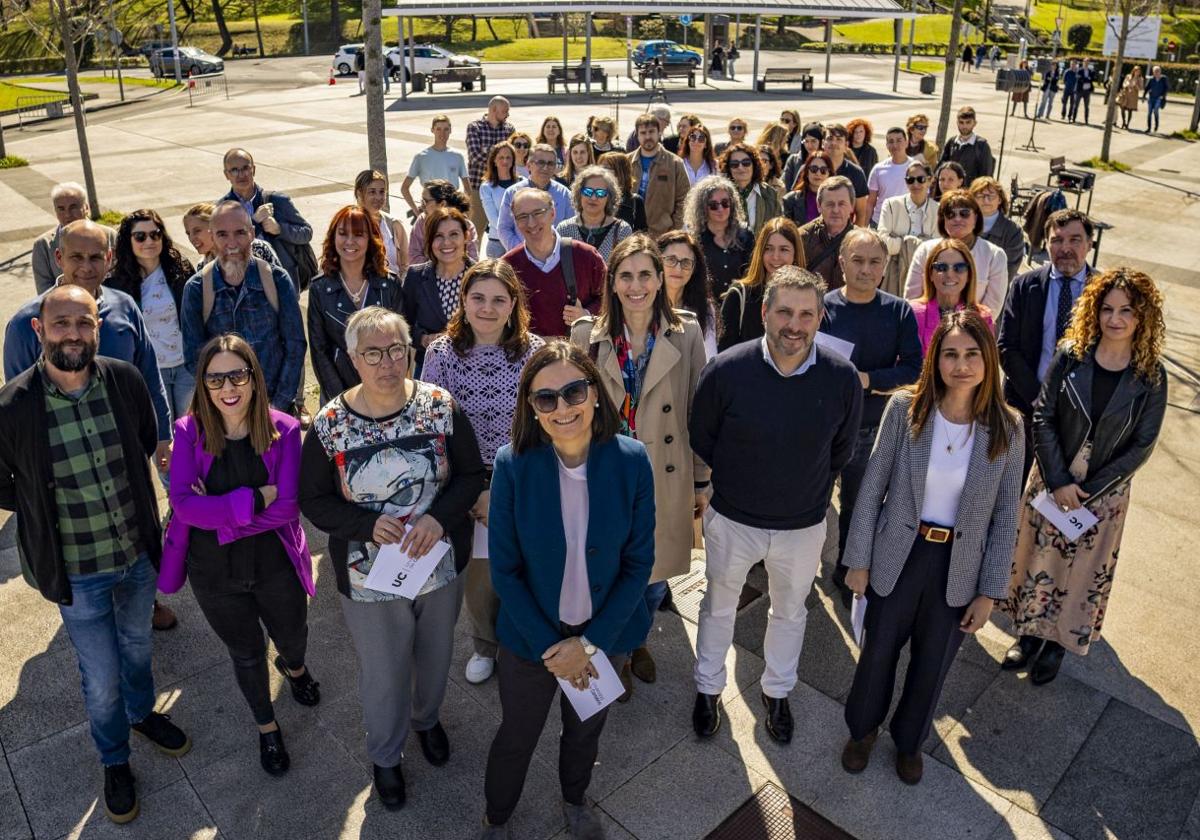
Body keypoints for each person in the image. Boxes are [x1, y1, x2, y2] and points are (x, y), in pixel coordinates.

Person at [0, 285, 192, 824]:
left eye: (83, 323)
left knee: (135, 650)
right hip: (78, 572)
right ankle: (114, 759)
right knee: (100, 674)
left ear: (97, 328)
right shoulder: (12, 407)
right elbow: (4, 484)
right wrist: (40, 499)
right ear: (39, 330)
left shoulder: (124, 380)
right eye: (61, 323)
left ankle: (141, 713)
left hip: (135, 557)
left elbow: (142, 440)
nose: (73, 334)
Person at [300, 306, 485, 811]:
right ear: (353, 359)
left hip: (439, 564)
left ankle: (427, 720)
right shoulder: (331, 424)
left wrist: (437, 518)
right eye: (373, 353)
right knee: (383, 671)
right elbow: (312, 499)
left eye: (396, 350)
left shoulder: (439, 405)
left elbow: (470, 474)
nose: (387, 363)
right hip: (368, 578)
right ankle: (386, 755)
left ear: (410, 351)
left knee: (436, 653)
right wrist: (363, 525)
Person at [477, 341, 653, 840]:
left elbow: (638, 564)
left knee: (585, 731)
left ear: (595, 393)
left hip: (606, 634)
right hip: (533, 639)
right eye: (546, 398)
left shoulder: (632, 460)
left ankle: (575, 798)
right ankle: (497, 816)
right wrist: (555, 650)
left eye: (574, 391)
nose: (563, 407)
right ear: (531, 408)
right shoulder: (513, 464)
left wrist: (589, 644)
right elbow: (506, 570)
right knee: (517, 735)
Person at [840, 310, 1023, 785]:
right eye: (950, 354)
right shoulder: (906, 409)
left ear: (987, 358)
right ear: (935, 360)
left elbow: (1006, 515)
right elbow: (872, 486)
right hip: (900, 553)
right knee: (878, 649)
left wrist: (990, 591)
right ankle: (862, 730)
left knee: (932, 662)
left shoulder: (1008, 426)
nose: (961, 364)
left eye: (971, 354)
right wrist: (857, 560)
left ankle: (908, 742)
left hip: (957, 564)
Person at [691, 266, 862, 742]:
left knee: (791, 611)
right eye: (784, 311)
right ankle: (707, 688)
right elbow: (702, 435)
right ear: (764, 312)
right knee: (718, 606)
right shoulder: (727, 369)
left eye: (807, 314)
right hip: (733, 518)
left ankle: (777, 691)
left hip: (803, 525)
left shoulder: (842, 377)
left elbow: (841, 450)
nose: (795, 323)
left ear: (820, 318)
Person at [1000, 268, 1167, 685]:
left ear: (1142, 316)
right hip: (1053, 476)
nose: (1115, 319)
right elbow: (1043, 414)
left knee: (1080, 572)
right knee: (1038, 560)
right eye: (1108, 308)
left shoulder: (1151, 375)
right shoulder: (1071, 354)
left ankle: (1057, 644)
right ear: (1095, 310)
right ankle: (1027, 635)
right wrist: (1058, 480)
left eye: (1126, 310)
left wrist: (1089, 492)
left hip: (1103, 492)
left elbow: (1142, 446)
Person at [160, 335, 317, 776]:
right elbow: (184, 505)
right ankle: (267, 728)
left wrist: (222, 516)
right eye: (215, 379)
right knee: (245, 653)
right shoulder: (188, 432)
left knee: (293, 634)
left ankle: (296, 667)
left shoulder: (284, 429)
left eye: (237, 375)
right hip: (214, 572)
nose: (227, 387)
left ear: (253, 377)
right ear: (203, 385)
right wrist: (253, 500)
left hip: (276, 563)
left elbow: (287, 506)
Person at [570, 235, 709, 700]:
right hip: (606, 477)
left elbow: (697, 410)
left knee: (653, 580)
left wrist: (703, 479)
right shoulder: (586, 335)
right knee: (610, 573)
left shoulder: (685, 333)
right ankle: (619, 653)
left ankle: (637, 641)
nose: (636, 285)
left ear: (659, 278)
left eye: (645, 275)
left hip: (664, 476)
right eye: (626, 275)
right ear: (612, 281)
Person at [422, 261, 545, 686]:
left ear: (513, 305)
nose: (487, 308)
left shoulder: (533, 352)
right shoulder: (441, 354)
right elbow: (432, 428)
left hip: (524, 476)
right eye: (478, 298)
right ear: (464, 301)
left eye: (498, 300)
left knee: (527, 568)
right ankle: (484, 645)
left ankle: (522, 642)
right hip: (466, 483)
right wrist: (473, 493)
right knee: (482, 577)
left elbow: (545, 424)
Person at [5, 220, 173, 483]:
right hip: (62, 465)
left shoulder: (125, 307)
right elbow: (18, 404)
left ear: (109, 259)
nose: (86, 267)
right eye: (76, 257)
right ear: (59, 258)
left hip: (126, 454)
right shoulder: (25, 324)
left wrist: (163, 434)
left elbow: (149, 374)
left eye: (96, 257)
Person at [820, 229, 922, 606]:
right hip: (825, 428)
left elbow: (913, 368)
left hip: (871, 429)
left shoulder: (898, 311)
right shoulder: (823, 307)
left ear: (885, 266)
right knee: (814, 503)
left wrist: (869, 380)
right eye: (857, 261)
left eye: (874, 262)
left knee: (859, 507)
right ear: (842, 263)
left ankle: (849, 571)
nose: (865, 269)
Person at [997, 209, 1097, 481]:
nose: (1065, 248)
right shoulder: (1024, 286)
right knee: (1013, 488)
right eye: (1057, 240)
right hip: (1026, 407)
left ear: (1090, 244)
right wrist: (1037, 397)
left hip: (1081, 418)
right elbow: (1006, 347)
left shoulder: (1104, 291)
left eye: (1075, 240)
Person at [180, 201, 307, 413]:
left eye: (240, 232)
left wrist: (277, 406)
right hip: (223, 415)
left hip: (275, 408)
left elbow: (295, 346)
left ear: (252, 233)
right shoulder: (196, 289)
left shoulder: (276, 279)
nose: (232, 243)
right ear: (212, 236)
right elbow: (194, 357)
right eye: (222, 234)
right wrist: (227, 402)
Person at [104, 209, 197, 422]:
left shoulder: (180, 270)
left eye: (155, 234)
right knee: (162, 436)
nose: (149, 241)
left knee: (191, 431)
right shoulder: (117, 282)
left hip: (186, 366)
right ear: (128, 241)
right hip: (151, 371)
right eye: (140, 236)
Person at [308, 205, 402, 405]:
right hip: (339, 395)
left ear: (371, 239)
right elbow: (319, 350)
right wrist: (344, 400)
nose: (350, 241)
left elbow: (401, 345)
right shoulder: (320, 289)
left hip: (386, 393)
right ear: (333, 238)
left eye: (358, 234)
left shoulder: (389, 285)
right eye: (342, 234)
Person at [504, 188, 605, 338]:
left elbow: (611, 297)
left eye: (538, 213)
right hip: (529, 357)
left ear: (552, 213)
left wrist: (587, 315)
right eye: (522, 216)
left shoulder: (586, 256)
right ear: (516, 222)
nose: (531, 223)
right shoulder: (508, 266)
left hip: (578, 354)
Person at [218, 148, 314, 289]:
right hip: (243, 286)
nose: (241, 175)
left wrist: (280, 229)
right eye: (234, 170)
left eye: (245, 168)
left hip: (282, 283)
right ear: (226, 175)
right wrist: (254, 222)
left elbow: (306, 233)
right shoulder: (222, 209)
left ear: (254, 170)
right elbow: (221, 247)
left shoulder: (277, 200)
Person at [905, 190, 1009, 312]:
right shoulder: (925, 250)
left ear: (975, 218)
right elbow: (912, 297)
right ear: (943, 220)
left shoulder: (995, 255)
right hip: (926, 327)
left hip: (974, 327)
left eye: (964, 213)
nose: (957, 219)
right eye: (950, 214)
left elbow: (992, 306)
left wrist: (963, 328)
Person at [403, 207, 476, 372]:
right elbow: (403, 323)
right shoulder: (415, 276)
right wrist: (423, 338)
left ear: (466, 237)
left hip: (475, 369)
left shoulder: (482, 276)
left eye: (454, 234)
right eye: (438, 236)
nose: (446, 243)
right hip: (429, 366)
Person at [719, 217, 804, 351]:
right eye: (768, 249)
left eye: (783, 249)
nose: (775, 256)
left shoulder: (807, 299)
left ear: (795, 254)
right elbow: (723, 353)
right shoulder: (739, 295)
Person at [908, 238, 995, 353]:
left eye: (959, 267)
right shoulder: (911, 314)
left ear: (969, 275)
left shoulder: (983, 318)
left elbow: (986, 366)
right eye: (941, 267)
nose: (949, 274)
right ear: (930, 275)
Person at [32, 181, 115, 294]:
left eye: (73, 207)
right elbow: (44, 291)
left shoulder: (109, 235)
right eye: (61, 209)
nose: (67, 214)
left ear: (86, 207)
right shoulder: (43, 245)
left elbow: (120, 278)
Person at [877, 160, 939, 298]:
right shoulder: (891, 205)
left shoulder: (939, 210)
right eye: (910, 180)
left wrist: (899, 241)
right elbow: (883, 243)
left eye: (920, 179)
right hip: (891, 275)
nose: (915, 184)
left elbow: (936, 250)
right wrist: (921, 242)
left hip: (925, 277)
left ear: (930, 181)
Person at [496, 144, 575, 252]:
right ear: (528, 165)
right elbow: (504, 228)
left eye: (551, 163)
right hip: (521, 258)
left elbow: (571, 228)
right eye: (541, 162)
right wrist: (521, 251)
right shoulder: (512, 193)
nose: (545, 167)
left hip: (556, 258)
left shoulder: (564, 194)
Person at [659, 229, 719, 359]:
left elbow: (709, 358)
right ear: (658, 262)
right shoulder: (645, 304)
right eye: (671, 260)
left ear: (694, 269)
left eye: (686, 262)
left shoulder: (704, 307)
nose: (678, 268)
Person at [628, 113, 690, 237]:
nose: (648, 137)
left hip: (662, 235)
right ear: (637, 135)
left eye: (651, 132)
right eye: (643, 133)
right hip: (631, 234)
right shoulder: (627, 162)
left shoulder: (675, 163)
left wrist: (673, 229)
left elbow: (684, 199)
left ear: (659, 132)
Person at [555, 165, 634, 262]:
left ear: (609, 197)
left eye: (600, 193)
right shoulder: (564, 229)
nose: (593, 198)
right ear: (579, 194)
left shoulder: (621, 230)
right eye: (588, 192)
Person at [402, 114, 470, 217]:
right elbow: (405, 188)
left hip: (452, 211)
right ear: (432, 130)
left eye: (446, 129)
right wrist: (416, 211)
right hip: (430, 211)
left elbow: (467, 188)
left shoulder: (457, 156)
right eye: (438, 129)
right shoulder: (421, 157)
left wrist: (462, 210)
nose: (442, 133)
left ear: (450, 130)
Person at [466, 97, 515, 236]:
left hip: (505, 185)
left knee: (507, 227)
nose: (508, 115)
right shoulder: (474, 127)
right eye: (505, 111)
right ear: (494, 110)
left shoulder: (509, 129)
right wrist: (500, 158)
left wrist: (488, 151)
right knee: (474, 232)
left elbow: (513, 156)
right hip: (477, 185)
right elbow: (474, 156)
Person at [798, 175, 856, 292]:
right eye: (830, 204)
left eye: (841, 204)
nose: (835, 210)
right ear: (819, 206)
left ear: (851, 206)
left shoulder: (861, 241)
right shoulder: (802, 237)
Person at [182, 202, 282, 270]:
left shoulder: (258, 248)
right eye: (188, 233)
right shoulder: (203, 267)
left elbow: (284, 289)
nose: (191, 238)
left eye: (197, 231)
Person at [408, 180, 481, 267]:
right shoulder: (422, 221)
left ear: (442, 204)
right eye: (421, 201)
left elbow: (472, 260)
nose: (421, 206)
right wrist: (437, 269)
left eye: (425, 201)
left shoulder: (466, 225)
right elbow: (413, 256)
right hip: (427, 277)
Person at [354, 169, 409, 276]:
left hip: (391, 290)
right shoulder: (346, 224)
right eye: (372, 192)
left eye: (382, 192)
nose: (378, 197)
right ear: (359, 193)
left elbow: (405, 265)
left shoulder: (394, 225)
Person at [720, 143, 782, 235]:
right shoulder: (721, 194)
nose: (740, 167)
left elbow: (778, 228)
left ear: (754, 165)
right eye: (734, 164)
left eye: (746, 163)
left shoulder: (770, 194)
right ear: (729, 168)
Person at [971, 177, 1025, 281]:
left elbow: (1008, 271)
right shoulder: (962, 223)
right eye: (980, 196)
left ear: (1000, 199)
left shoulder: (1013, 232)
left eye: (991, 196)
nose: (986, 200)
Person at [821, 124, 870, 225]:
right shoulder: (812, 169)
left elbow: (861, 213)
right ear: (822, 143)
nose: (834, 143)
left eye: (839, 139)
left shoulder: (856, 173)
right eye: (830, 138)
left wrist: (854, 238)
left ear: (846, 145)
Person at [866, 127, 915, 226]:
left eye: (899, 140)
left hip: (907, 223)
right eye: (891, 141)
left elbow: (923, 198)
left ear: (906, 142)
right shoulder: (878, 169)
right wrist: (864, 226)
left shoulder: (916, 168)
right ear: (887, 145)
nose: (895, 145)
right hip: (879, 222)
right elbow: (870, 202)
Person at [479, 141, 520, 259]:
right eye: (501, 157)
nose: (505, 161)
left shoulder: (522, 183)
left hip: (519, 241)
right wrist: (511, 236)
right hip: (497, 243)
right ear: (494, 161)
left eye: (508, 157)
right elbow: (493, 219)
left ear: (513, 161)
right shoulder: (486, 187)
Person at [938, 108, 994, 186]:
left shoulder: (982, 146)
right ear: (957, 123)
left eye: (968, 122)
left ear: (974, 123)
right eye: (961, 122)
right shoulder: (952, 142)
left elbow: (986, 176)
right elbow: (941, 167)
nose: (964, 126)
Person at [598, 151, 648, 233]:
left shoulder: (635, 201)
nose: (601, 172)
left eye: (606, 168)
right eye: (600, 168)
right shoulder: (594, 196)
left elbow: (641, 235)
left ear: (620, 172)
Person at [782, 151, 834, 227]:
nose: (818, 173)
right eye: (814, 169)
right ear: (807, 172)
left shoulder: (837, 200)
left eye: (823, 170)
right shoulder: (790, 200)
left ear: (829, 174)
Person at [1117, 65, 1143, 129]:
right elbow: (1123, 83)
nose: (1137, 72)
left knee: (1130, 110)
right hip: (1125, 94)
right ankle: (1123, 122)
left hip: (1133, 96)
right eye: (1136, 70)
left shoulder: (1140, 79)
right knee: (1122, 108)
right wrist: (1126, 85)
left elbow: (1141, 88)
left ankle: (1127, 124)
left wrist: (1136, 85)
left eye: (1138, 71)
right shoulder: (1128, 76)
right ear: (1133, 71)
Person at [1145, 65, 1169, 133]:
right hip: (1151, 98)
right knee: (1149, 113)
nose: (1156, 73)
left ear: (1160, 72)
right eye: (1155, 71)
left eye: (1158, 71)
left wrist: (1163, 96)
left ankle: (1156, 126)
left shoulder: (1163, 79)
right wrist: (1144, 96)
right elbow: (1147, 88)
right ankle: (1149, 128)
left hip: (1158, 98)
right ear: (1153, 72)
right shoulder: (1151, 79)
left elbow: (1166, 88)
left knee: (1155, 111)